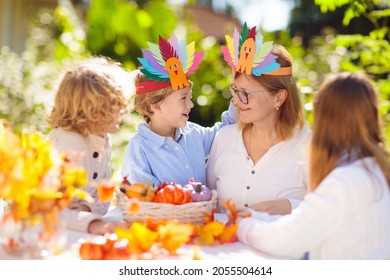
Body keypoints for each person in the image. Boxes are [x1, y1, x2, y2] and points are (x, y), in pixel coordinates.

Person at [234, 72, 390, 259]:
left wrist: (241, 225)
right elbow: (308, 222)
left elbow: (285, 240)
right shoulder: (374, 170)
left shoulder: (344, 182)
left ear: (326, 119)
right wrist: (256, 217)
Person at [207, 23, 311, 215]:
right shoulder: (224, 139)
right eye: (235, 91)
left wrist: (288, 206)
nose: (237, 101)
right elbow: (207, 201)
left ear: (279, 97)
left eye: (246, 93)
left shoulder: (309, 145)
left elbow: (330, 211)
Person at [121, 33, 236, 187]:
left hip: (200, 211)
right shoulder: (140, 148)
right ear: (155, 105)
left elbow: (225, 131)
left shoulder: (195, 134)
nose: (191, 105)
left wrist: (237, 94)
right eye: (183, 98)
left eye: (189, 97)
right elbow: (143, 194)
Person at [47, 57, 130, 234]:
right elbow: (47, 208)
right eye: (116, 105)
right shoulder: (65, 146)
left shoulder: (101, 139)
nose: (125, 111)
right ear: (93, 110)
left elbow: (103, 193)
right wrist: (92, 224)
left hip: (76, 230)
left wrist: (88, 210)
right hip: (47, 233)